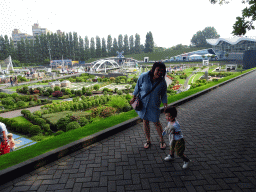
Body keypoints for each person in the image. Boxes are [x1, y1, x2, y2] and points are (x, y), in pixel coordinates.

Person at [130, 62, 168, 149]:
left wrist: (165, 106)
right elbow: (137, 87)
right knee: (145, 121)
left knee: (156, 122)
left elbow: (163, 95)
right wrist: (134, 97)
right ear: (153, 69)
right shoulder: (144, 76)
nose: (159, 73)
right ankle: (148, 140)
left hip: (154, 105)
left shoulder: (162, 81)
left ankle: (162, 140)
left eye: (162, 71)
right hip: (143, 104)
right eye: (158, 70)